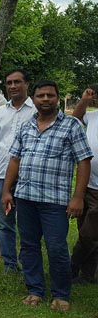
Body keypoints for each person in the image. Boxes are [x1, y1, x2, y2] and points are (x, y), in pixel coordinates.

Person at [1, 80, 92, 312]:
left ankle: (61, 294)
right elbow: (15, 160)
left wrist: (78, 197)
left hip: (55, 200)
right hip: (26, 197)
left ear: (57, 97)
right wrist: (6, 191)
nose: (45, 100)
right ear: (34, 98)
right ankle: (34, 290)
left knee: (56, 247)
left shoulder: (71, 126)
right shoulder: (26, 126)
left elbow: (83, 161)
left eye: (50, 95)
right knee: (29, 246)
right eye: (41, 96)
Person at [0, 69, 35, 272]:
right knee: (5, 222)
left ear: (27, 84)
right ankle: (10, 265)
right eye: (9, 83)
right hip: (1, 175)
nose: (13, 86)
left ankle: (28, 264)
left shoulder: (35, 110)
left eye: (17, 82)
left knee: (26, 223)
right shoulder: (1, 112)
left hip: (27, 176)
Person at [69, 86, 98, 284]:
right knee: (84, 230)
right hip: (87, 183)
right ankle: (88, 275)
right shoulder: (93, 116)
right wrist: (84, 100)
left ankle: (70, 266)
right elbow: (75, 119)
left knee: (90, 233)